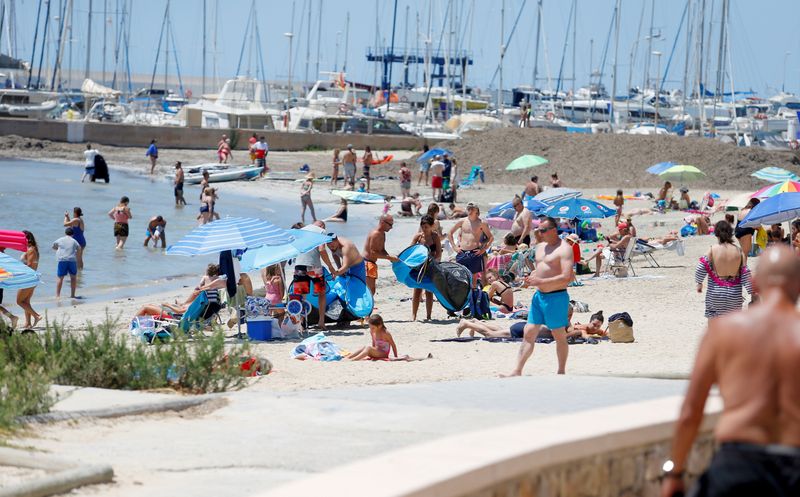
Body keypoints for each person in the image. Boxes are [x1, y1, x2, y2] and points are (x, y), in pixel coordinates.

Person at [660, 246, 800, 497]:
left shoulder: (724, 331)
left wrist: (675, 472)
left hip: (737, 466)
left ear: (755, 283)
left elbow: (691, 412)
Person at [502, 217, 574, 376]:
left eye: (542, 230)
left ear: (554, 230)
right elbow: (541, 268)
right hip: (539, 296)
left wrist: (541, 280)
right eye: (538, 230)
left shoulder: (564, 249)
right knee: (529, 332)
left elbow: (567, 277)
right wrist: (531, 279)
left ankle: (561, 371)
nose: (539, 233)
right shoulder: (540, 247)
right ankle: (517, 370)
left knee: (558, 334)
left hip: (556, 297)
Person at [695, 220, 752, 321]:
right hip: (734, 294)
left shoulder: (712, 249)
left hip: (715, 292)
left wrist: (699, 283)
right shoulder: (739, 251)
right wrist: (752, 292)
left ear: (716, 234)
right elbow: (745, 275)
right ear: (731, 234)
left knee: (713, 319)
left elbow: (701, 267)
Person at [296, 221, 335, 330]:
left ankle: (301, 323)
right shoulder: (321, 231)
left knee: (301, 295)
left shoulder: (301, 231)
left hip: (300, 265)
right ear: (322, 226)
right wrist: (330, 266)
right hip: (314, 267)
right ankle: (321, 321)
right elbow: (322, 250)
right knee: (321, 293)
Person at [448, 203, 494, 285]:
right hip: (462, 252)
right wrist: (454, 247)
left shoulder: (481, 223)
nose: (470, 210)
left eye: (472, 209)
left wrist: (484, 249)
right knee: (460, 276)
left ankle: (473, 295)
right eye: (469, 209)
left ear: (477, 211)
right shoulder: (462, 221)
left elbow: (490, 237)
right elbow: (450, 233)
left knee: (473, 278)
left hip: (474, 252)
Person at [410, 215, 442, 321]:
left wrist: (436, 261)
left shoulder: (435, 236)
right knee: (417, 290)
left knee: (429, 291)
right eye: (423, 226)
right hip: (419, 266)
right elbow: (410, 250)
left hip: (431, 266)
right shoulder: (418, 237)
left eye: (426, 226)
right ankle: (414, 315)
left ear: (432, 226)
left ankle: (428, 316)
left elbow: (438, 252)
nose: (424, 229)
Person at [362, 215, 399, 296]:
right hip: (367, 263)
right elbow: (373, 253)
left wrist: (390, 257)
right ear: (382, 222)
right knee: (370, 290)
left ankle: (368, 307)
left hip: (372, 263)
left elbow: (381, 250)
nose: (391, 227)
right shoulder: (376, 234)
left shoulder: (382, 233)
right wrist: (389, 257)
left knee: (371, 289)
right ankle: (367, 307)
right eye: (390, 225)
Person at [16, 231, 41, 328]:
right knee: (26, 301)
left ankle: (37, 316)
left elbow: (30, 265)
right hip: (32, 278)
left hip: (28, 278)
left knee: (19, 301)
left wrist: (17, 270)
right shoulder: (33, 249)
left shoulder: (31, 250)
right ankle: (28, 323)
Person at [53, 227, 80, 298]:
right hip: (72, 260)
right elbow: (79, 248)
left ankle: (58, 295)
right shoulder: (74, 241)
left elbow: (53, 246)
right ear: (73, 234)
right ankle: (72, 295)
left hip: (62, 260)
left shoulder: (60, 239)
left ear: (65, 233)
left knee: (60, 278)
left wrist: (58, 249)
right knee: (73, 278)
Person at [735, 197, 760, 264]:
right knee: (745, 253)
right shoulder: (752, 212)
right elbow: (755, 226)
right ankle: (744, 270)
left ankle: (741, 268)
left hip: (738, 231)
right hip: (745, 233)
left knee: (743, 251)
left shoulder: (743, 210)